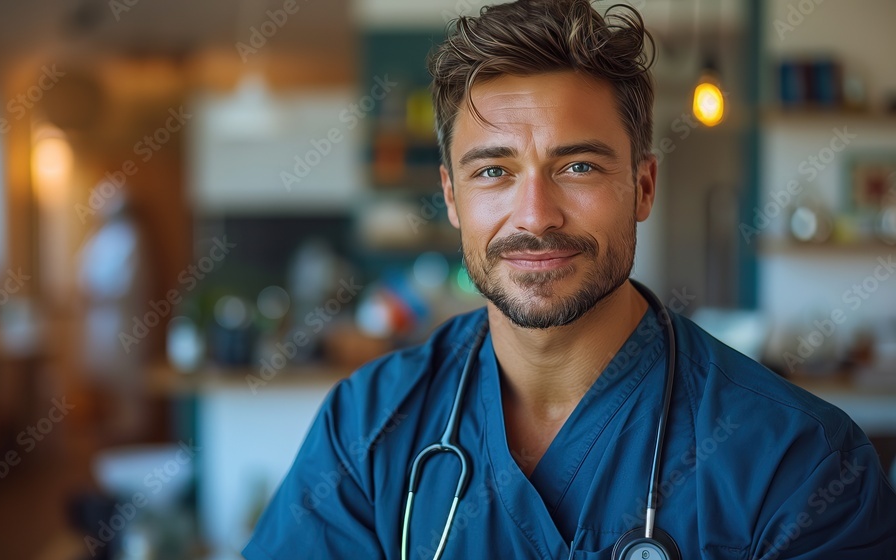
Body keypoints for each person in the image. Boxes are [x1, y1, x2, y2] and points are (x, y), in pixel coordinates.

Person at [243, 1, 896, 558]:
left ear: (643, 186)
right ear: (451, 195)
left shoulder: (799, 463)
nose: (535, 216)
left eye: (578, 166)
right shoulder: (367, 430)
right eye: (493, 172)